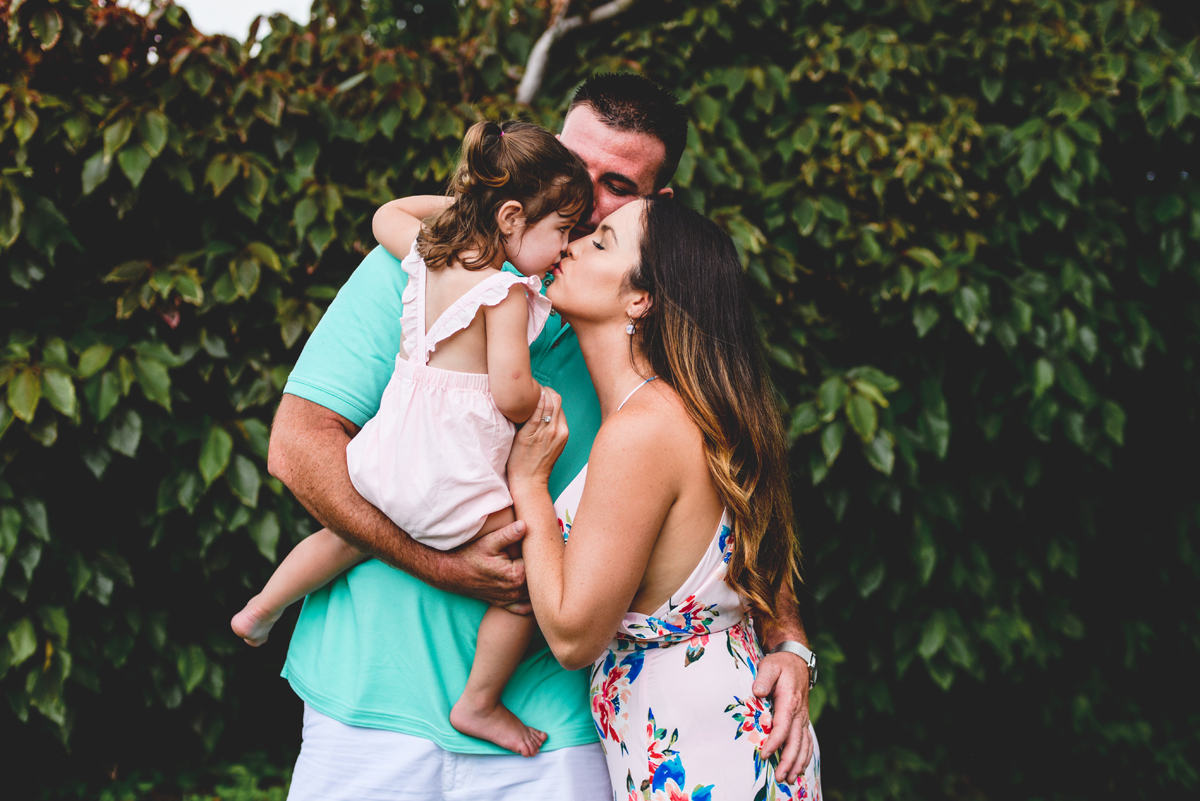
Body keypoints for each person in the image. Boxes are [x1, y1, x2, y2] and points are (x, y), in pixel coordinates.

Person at [268, 74, 815, 800]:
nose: (584, 200)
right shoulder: (430, 267)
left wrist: (789, 639)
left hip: (557, 733)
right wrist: (443, 562)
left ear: (659, 207)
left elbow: (736, 491)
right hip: (372, 698)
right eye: (569, 163)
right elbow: (296, 445)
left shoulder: (648, 349)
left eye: (615, 184)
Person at [232, 119, 590, 757]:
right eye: (560, 230)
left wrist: (472, 211)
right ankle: (478, 703)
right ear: (513, 217)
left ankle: (262, 607)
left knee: (344, 537)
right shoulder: (506, 293)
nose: (564, 246)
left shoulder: (428, 258)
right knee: (524, 576)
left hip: (384, 459)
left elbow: (386, 213)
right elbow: (511, 393)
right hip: (450, 477)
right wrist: (544, 401)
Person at [507, 196, 822, 798]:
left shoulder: (641, 430)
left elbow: (574, 637)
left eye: (600, 241)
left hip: (697, 759)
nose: (570, 244)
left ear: (640, 298)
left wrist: (528, 483)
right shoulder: (692, 412)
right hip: (726, 738)